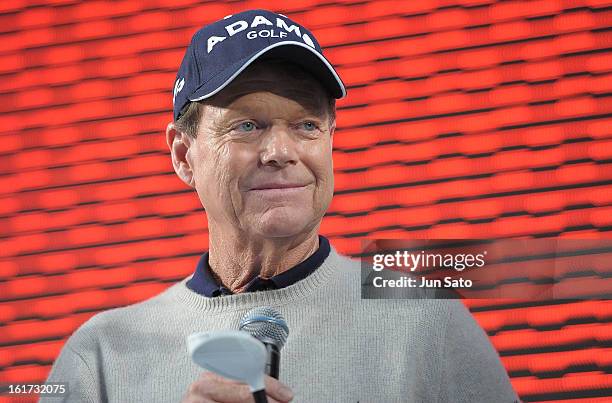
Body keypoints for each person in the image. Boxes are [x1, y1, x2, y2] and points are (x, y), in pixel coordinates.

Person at [43, 9, 519, 402]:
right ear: (183, 154)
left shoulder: (425, 320)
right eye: (247, 124)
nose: (281, 151)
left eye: (307, 124)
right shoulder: (103, 356)